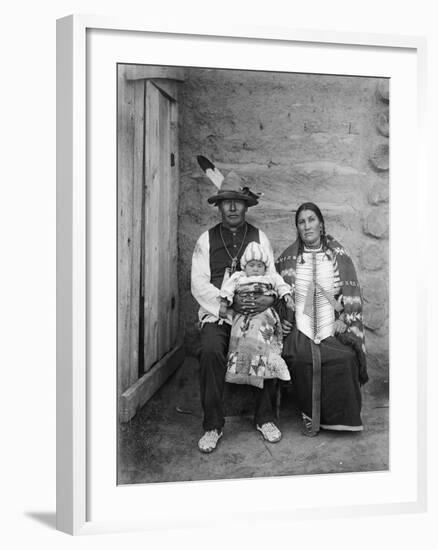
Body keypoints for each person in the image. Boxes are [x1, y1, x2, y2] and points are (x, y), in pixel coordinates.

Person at [191, 158, 282, 453]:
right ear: (219, 206)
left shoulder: (260, 238)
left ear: (246, 206)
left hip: (255, 312)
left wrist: (266, 299)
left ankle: (264, 417)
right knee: (209, 350)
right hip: (220, 315)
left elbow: (272, 277)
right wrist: (226, 306)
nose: (232, 208)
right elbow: (199, 283)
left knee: (266, 344)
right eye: (226, 202)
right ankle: (213, 425)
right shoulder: (206, 239)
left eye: (238, 202)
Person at [275, 202, 369, 436]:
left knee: (346, 357)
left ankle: (340, 417)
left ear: (321, 223)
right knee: (299, 356)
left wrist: (344, 319)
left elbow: (350, 294)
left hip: (332, 323)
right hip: (300, 325)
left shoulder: (339, 256)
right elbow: (276, 293)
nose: (307, 226)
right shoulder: (287, 259)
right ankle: (310, 413)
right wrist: (283, 319)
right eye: (301, 222)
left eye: (311, 220)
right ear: (297, 228)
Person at [219, 241, 293, 389]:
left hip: (263, 314)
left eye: (259, 266)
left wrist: (287, 296)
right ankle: (239, 370)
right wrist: (223, 304)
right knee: (241, 337)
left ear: (265, 267)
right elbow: (227, 289)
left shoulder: (269, 277)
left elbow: (281, 284)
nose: (255, 269)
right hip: (243, 314)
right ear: (244, 266)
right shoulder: (238, 277)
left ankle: (271, 365)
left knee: (259, 334)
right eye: (251, 265)